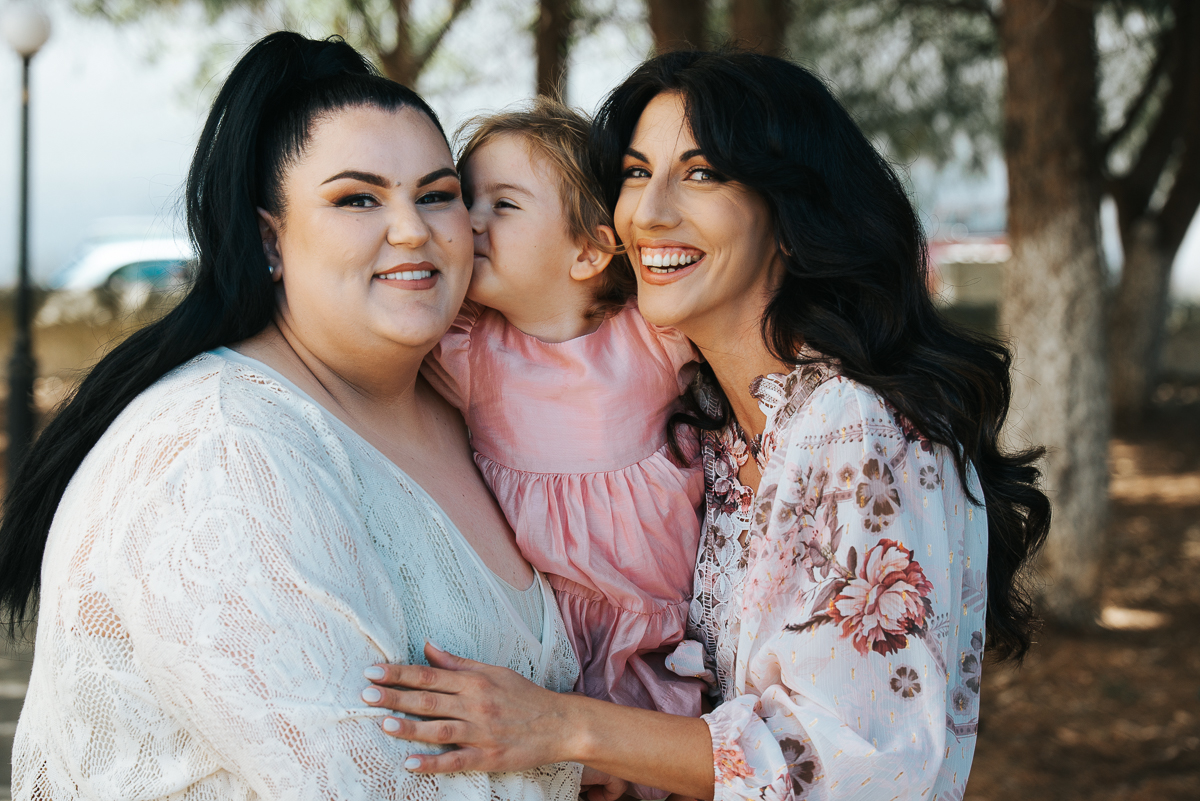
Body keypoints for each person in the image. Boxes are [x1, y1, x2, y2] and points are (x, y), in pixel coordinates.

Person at [358, 50, 1052, 801]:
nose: (648, 212)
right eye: (635, 173)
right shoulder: (710, 416)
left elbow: (852, 762)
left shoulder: (856, 425)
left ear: (790, 215)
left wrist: (563, 727)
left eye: (701, 174)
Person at [0, 33, 589, 801]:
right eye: (357, 198)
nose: (412, 229)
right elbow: (361, 783)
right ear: (270, 239)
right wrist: (588, 752)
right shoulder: (219, 453)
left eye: (436, 193)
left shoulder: (474, 409)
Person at [421, 100, 708, 777]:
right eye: (466, 200)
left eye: (503, 205)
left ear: (589, 250)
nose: (471, 221)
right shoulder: (467, 349)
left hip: (656, 636)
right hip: (543, 646)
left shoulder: (652, 334)